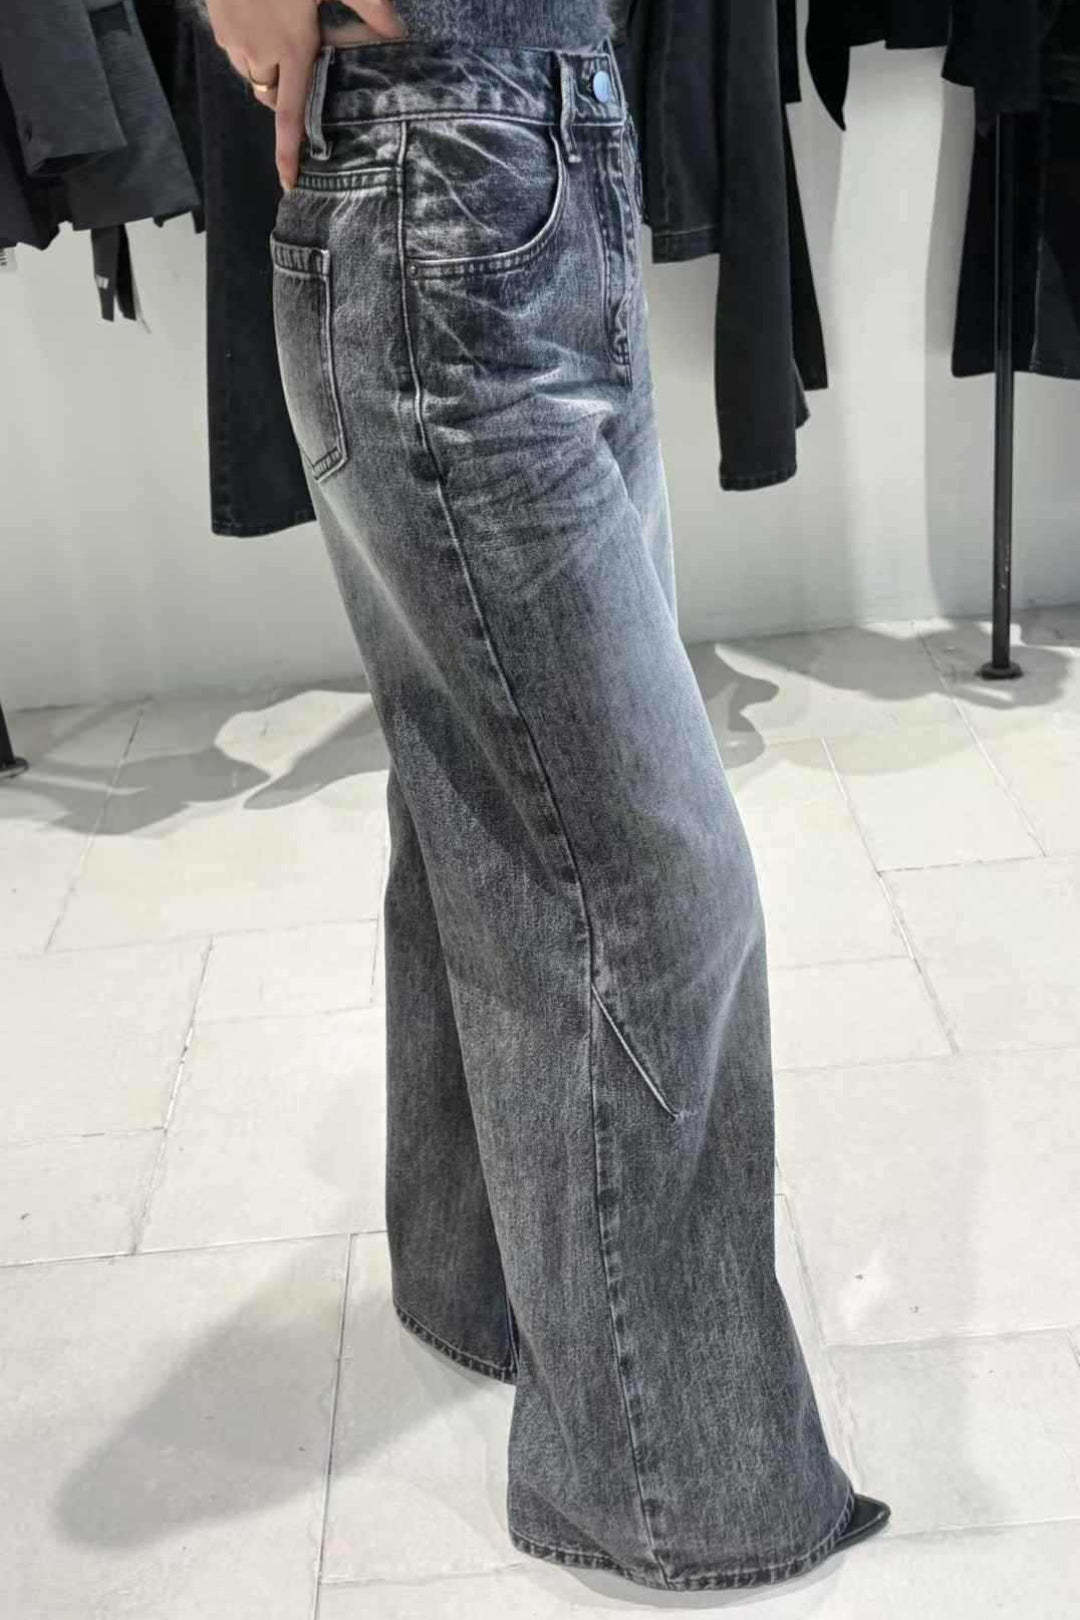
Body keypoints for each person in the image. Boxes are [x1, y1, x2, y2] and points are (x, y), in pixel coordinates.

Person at [202, 0, 891, 1591]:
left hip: (536, 141)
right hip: (445, 166)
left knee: (489, 786)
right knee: (651, 881)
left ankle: (488, 1291)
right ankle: (671, 1487)